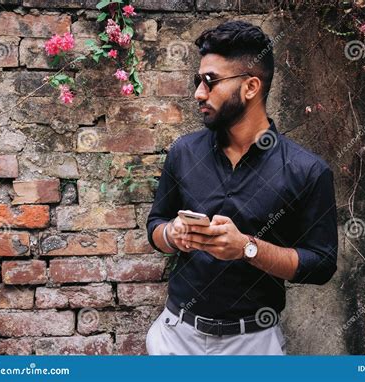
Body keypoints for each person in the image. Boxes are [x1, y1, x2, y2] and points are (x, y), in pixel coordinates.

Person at [145, 20, 338, 355]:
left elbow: (321, 265)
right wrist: (172, 235)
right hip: (175, 338)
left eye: (210, 81)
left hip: (252, 346)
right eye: (198, 81)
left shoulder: (307, 171)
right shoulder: (184, 152)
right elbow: (155, 226)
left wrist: (248, 248)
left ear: (250, 87)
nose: (198, 93)